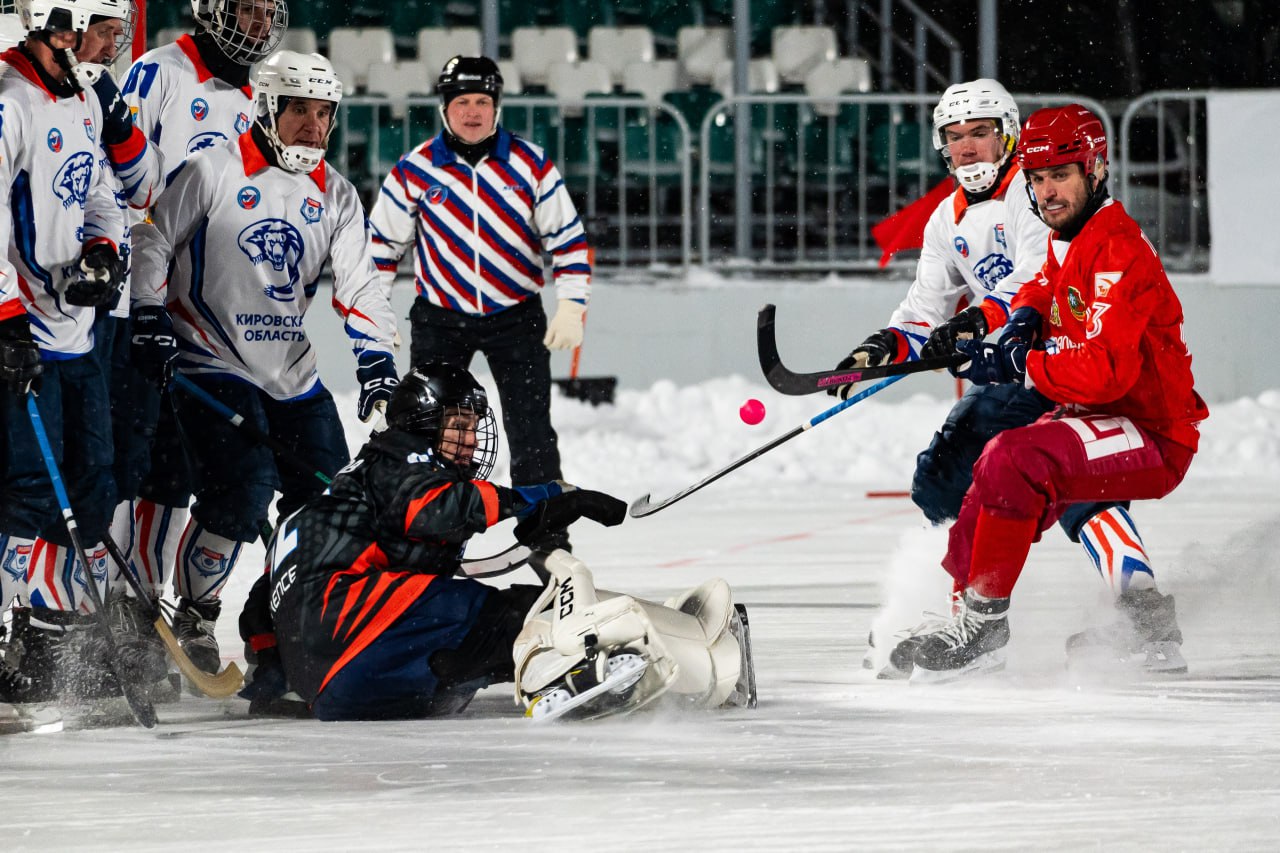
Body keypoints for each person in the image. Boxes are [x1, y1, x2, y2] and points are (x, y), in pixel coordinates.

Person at [830, 80, 1185, 677]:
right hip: (1057, 376)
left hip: (1103, 394)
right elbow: (991, 293)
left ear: (1009, 135)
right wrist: (886, 345)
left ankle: (1011, 622)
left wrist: (993, 332)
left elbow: (1053, 303)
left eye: (980, 132)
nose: (967, 147)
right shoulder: (987, 217)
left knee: (1033, 468)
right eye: (955, 136)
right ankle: (966, 614)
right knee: (951, 476)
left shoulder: (1057, 208)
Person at [239, 362, 756, 721]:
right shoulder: (398, 458)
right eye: (457, 425)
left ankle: (625, 650)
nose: (469, 439)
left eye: (471, 426)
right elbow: (438, 508)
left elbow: (261, 608)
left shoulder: (330, 503)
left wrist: (271, 681)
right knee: (520, 617)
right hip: (366, 635)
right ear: (421, 425)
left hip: (337, 692)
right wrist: (544, 499)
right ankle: (594, 671)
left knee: (491, 635)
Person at [129, 49, 399, 675]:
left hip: (291, 372)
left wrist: (377, 363)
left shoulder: (336, 194)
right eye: (299, 109)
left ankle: (294, 622)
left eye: (324, 113)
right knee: (243, 489)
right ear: (266, 109)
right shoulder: (211, 169)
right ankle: (196, 614)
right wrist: (147, 313)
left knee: (331, 499)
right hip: (209, 361)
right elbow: (153, 239)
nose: (313, 125)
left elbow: (361, 288)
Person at [367, 56, 592, 549]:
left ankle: (547, 537)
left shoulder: (531, 163)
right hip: (440, 319)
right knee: (428, 430)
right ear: (445, 109)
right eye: (462, 102)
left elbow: (568, 239)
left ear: (497, 107)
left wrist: (572, 304)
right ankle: (424, 532)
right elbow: (379, 248)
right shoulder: (415, 169)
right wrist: (375, 317)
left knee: (531, 431)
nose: (473, 112)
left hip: (516, 317)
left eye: (482, 102)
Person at [113, 0, 288, 627]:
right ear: (212, 10)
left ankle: (180, 611)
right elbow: (123, 178)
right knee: (146, 466)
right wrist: (143, 292)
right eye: (247, 11)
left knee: (211, 472)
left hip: (215, 322)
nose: (259, 24)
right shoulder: (159, 72)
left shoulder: (264, 97)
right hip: (144, 309)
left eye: (267, 13)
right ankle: (129, 607)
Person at [0, 0, 153, 704]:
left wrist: (102, 248)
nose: (111, 45)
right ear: (61, 25)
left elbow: (101, 194)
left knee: (90, 484)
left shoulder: (84, 98)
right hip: (19, 334)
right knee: (32, 492)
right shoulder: (10, 102)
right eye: (104, 31)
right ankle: (21, 633)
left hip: (76, 334)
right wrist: (5, 318)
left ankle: (58, 635)